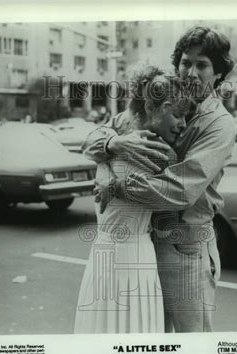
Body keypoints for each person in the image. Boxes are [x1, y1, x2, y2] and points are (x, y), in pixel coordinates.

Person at [82, 26, 237, 333]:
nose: (191, 72)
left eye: (202, 65)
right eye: (185, 62)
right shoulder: (160, 99)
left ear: (218, 73)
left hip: (185, 247)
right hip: (145, 241)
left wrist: (115, 185)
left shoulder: (219, 125)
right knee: (152, 338)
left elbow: (180, 190)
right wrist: (115, 144)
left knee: (191, 344)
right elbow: (92, 139)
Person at [74, 66, 190, 334]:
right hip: (133, 254)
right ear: (158, 109)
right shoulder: (159, 152)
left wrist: (114, 183)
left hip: (108, 252)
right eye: (178, 115)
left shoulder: (118, 139)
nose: (183, 124)